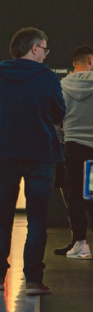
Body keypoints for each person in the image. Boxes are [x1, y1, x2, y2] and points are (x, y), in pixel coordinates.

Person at [0, 28, 66, 295]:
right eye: (44, 49)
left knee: (2, 217)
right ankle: (32, 279)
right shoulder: (46, 76)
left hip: (5, 151)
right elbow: (58, 112)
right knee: (37, 219)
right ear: (33, 48)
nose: (45, 54)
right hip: (40, 153)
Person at [60, 45, 93, 259]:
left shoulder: (62, 85)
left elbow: (56, 114)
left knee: (74, 196)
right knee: (92, 195)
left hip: (72, 145)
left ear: (75, 63)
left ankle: (81, 244)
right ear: (90, 61)